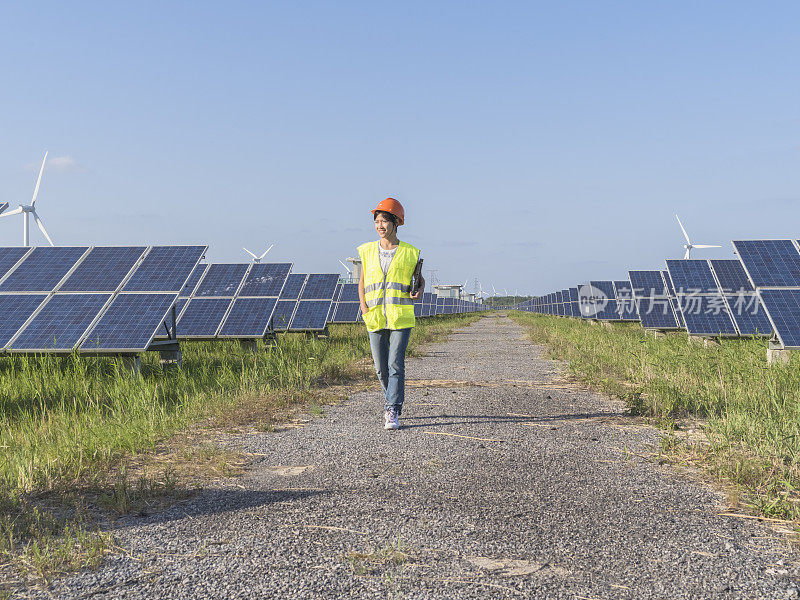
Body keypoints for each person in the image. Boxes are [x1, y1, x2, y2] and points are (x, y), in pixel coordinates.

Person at [358, 198, 424, 430]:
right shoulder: (366, 251)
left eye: (385, 221)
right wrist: (364, 308)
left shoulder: (409, 252)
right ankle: (392, 401)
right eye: (377, 221)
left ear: (396, 223)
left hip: (400, 316)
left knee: (395, 364)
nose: (380, 226)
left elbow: (419, 280)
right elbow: (362, 282)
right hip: (375, 316)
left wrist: (420, 290)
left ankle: (392, 409)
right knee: (380, 367)